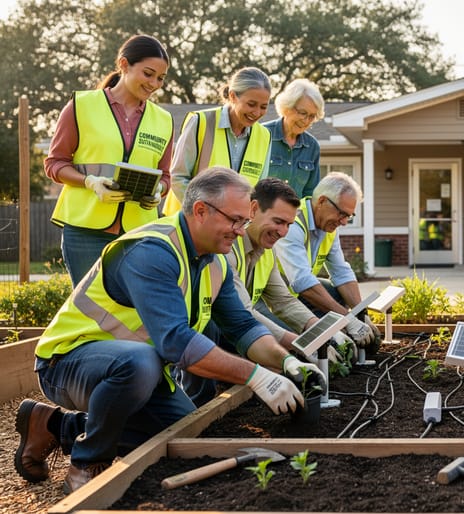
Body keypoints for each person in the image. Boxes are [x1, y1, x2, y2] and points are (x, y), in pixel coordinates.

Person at [13, 169, 321, 493]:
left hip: (137, 372)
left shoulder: (215, 263)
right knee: (139, 362)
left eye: (244, 222)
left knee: (184, 434)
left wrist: (288, 363)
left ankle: (53, 425)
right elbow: (175, 342)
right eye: (235, 220)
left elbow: (243, 327)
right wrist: (257, 376)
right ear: (201, 210)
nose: (241, 232)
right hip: (66, 362)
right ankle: (89, 461)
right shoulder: (151, 250)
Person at [178, 177, 355, 405]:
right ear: (253, 210)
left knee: (275, 345)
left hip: (237, 328)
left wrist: (324, 332)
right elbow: (243, 313)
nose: (283, 232)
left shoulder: (266, 250)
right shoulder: (227, 248)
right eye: (278, 221)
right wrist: (301, 348)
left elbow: (284, 302)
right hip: (207, 333)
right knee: (214, 327)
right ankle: (200, 403)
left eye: (288, 225)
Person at [45, 34, 174, 285]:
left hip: (139, 233)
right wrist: (90, 181)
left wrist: (159, 190)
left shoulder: (164, 120)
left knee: (131, 311)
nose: (154, 83)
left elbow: (165, 175)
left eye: (160, 78)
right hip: (85, 230)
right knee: (87, 309)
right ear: (124, 65)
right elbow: (55, 164)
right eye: (148, 74)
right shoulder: (81, 106)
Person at [275, 173, 381, 354]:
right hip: (274, 300)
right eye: (342, 214)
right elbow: (303, 283)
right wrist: (347, 319)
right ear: (322, 201)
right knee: (289, 339)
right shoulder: (293, 223)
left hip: (296, 294)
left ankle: (331, 336)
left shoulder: (329, 227)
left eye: (349, 216)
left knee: (336, 292)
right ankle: (323, 339)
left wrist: (361, 315)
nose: (345, 222)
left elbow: (342, 273)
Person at [163, 67, 272, 214]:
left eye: (263, 107)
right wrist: (202, 215)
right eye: (251, 104)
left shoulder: (265, 136)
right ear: (233, 96)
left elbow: (257, 190)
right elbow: (178, 177)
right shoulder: (200, 122)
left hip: (230, 230)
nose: (257, 112)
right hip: (188, 223)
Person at [262, 78, 325, 198]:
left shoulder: (312, 147)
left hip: (294, 216)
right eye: (302, 113)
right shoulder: (262, 135)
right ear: (287, 107)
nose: (306, 120)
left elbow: (310, 193)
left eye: (312, 116)